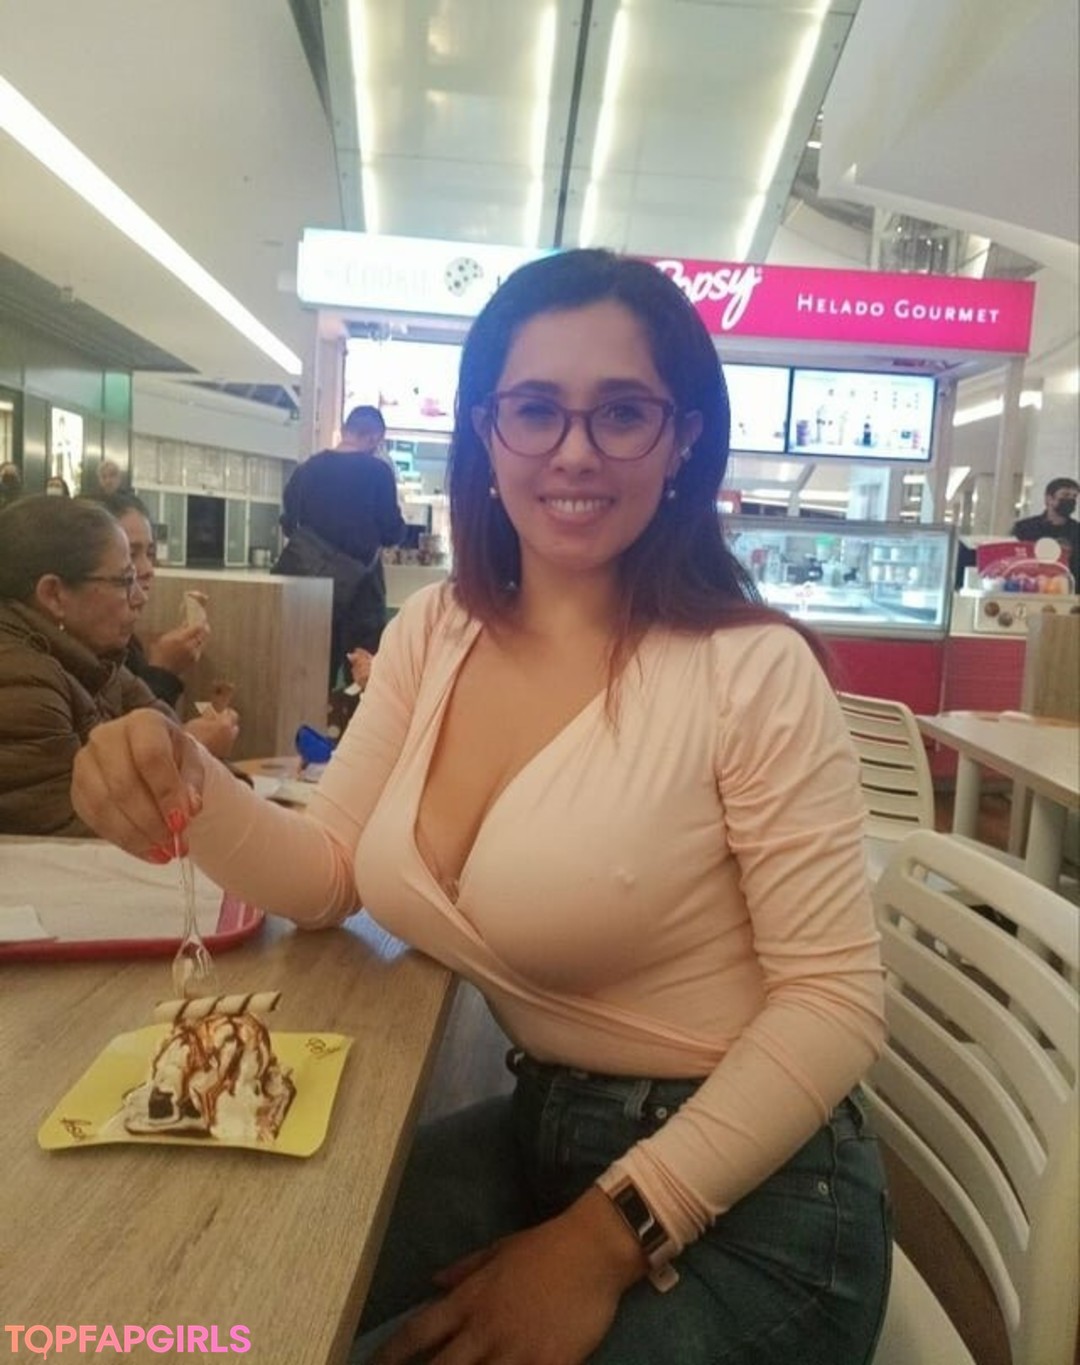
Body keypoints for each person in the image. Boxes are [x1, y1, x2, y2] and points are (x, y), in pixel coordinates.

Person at [71, 249, 889, 1365]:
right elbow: (327, 873)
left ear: (684, 437)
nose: (574, 450)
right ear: (485, 431)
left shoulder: (748, 672)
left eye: (623, 413)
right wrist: (183, 774)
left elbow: (834, 1003)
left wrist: (606, 1236)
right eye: (536, 408)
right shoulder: (438, 631)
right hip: (541, 1132)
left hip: (760, 1194)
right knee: (227, 1296)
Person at [0, 495, 174, 835]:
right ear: (54, 595)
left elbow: (177, 746)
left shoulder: (94, 658)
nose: (140, 597)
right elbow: (78, 835)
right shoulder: (19, 681)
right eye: (124, 581)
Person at [100, 492, 239, 758]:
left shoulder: (125, 644)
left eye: (150, 553)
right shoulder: (58, 667)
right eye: (131, 554)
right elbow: (123, 755)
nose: (147, 569)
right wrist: (163, 669)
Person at [276, 405, 406, 687]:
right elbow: (391, 531)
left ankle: (313, 714)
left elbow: (288, 523)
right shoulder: (378, 472)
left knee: (311, 670)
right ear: (373, 438)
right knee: (363, 674)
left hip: (310, 589)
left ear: (345, 430)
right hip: (362, 590)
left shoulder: (307, 469)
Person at [1011, 475, 1080, 583]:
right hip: (1030, 586)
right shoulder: (1025, 528)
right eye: (1065, 495)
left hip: (1070, 588)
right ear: (1049, 498)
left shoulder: (1077, 530)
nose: (1071, 500)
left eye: (1074, 496)